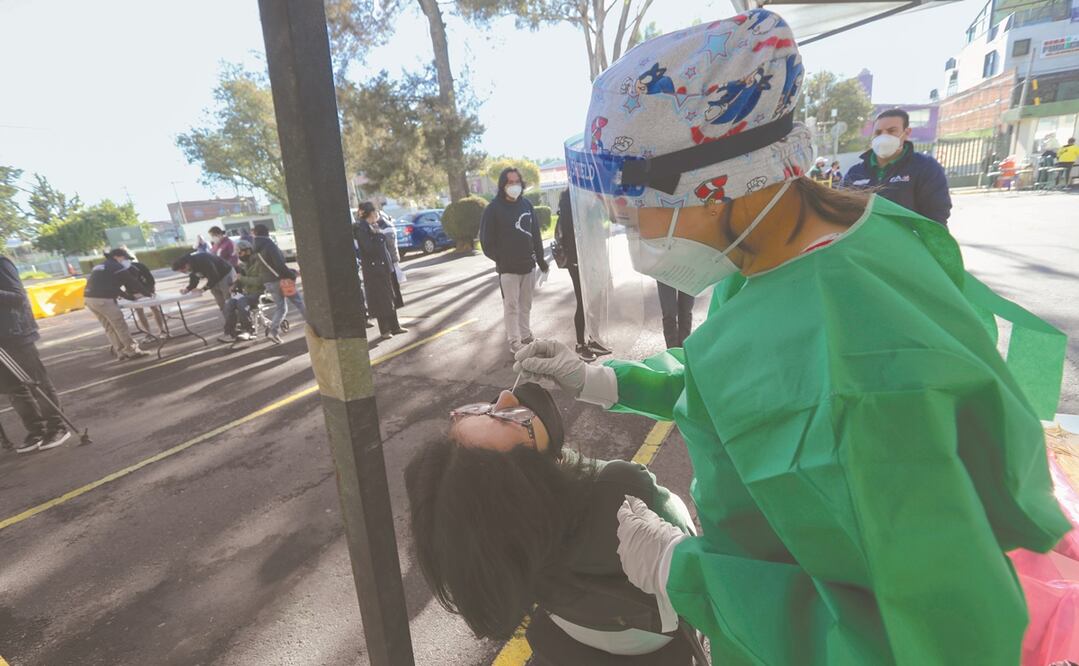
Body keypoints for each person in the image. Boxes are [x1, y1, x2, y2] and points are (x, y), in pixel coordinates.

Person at [515, 10, 1070, 664]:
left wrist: (687, 573)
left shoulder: (851, 383)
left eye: (630, 198)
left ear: (716, 184)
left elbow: (928, 640)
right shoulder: (804, 245)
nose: (621, 218)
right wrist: (603, 380)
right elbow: (739, 374)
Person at [405, 382, 697, 664]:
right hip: (653, 635)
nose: (505, 396)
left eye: (480, 409)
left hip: (578, 629)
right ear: (531, 482)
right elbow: (689, 543)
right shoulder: (619, 489)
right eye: (507, 418)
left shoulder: (508, 541)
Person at [0, 255, 70, 453]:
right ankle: (36, 430)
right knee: (14, 389)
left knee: (38, 384)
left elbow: (18, 297)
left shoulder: (2, 263)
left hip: (16, 334)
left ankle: (57, 427)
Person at [843, 108, 952, 225]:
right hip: (865, 236)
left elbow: (937, 213)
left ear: (906, 133)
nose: (883, 137)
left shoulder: (925, 167)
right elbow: (842, 210)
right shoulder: (855, 172)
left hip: (908, 236)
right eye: (878, 133)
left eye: (891, 131)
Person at [480, 167, 549, 353]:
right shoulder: (493, 209)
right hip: (508, 270)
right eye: (510, 182)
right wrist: (502, 260)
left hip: (528, 266)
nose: (514, 185)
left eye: (517, 182)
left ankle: (525, 335)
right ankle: (514, 342)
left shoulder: (526, 205)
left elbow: (535, 235)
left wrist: (541, 260)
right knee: (511, 306)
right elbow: (486, 242)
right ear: (503, 185)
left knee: (526, 305)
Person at [554, 189, 612, 363]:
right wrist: (575, 259)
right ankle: (580, 344)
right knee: (583, 301)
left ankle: (594, 339)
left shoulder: (592, 193)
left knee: (596, 299)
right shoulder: (568, 198)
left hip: (595, 255)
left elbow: (601, 222)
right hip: (577, 259)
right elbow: (569, 231)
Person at [83, 248, 151, 360]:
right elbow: (132, 281)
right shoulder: (116, 266)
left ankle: (120, 352)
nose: (126, 261)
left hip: (89, 298)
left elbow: (114, 288)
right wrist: (148, 293)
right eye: (125, 258)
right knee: (120, 325)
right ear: (116, 257)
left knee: (109, 327)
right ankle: (132, 351)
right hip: (103, 300)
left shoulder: (102, 265)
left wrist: (129, 297)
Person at [354, 202, 407, 340]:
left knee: (391, 296)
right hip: (374, 269)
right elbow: (369, 248)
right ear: (370, 213)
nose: (376, 215)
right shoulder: (362, 229)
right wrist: (379, 236)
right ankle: (385, 329)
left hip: (384, 266)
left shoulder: (373, 225)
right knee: (381, 299)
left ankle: (395, 326)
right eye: (374, 212)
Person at [252, 223, 305, 344]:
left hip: (268, 282)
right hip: (282, 280)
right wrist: (292, 274)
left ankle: (273, 331)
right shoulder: (269, 245)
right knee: (299, 303)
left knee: (281, 307)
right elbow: (279, 265)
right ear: (267, 233)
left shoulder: (255, 248)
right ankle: (316, 328)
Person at [171, 250, 236, 316]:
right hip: (214, 277)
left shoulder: (202, 260)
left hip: (225, 273)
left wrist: (202, 289)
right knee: (220, 301)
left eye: (183, 271)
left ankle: (237, 317)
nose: (184, 272)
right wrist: (188, 289)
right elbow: (194, 278)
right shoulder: (190, 265)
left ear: (186, 265)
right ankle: (228, 318)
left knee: (228, 298)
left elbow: (214, 277)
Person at [220, 239, 261, 342]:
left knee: (242, 302)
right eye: (238, 253)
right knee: (230, 303)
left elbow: (260, 281)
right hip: (248, 293)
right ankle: (230, 332)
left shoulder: (259, 263)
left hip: (259, 292)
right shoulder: (243, 265)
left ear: (248, 251)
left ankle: (248, 330)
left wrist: (242, 278)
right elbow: (241, 280)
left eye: (240, 253)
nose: (239, 255)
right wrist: (235, 285)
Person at [129, 259, 167, 337]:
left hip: (146, 289)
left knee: (154, 308)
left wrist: (150, 291)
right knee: (139, 310)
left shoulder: (140, 266)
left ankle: (161, 329)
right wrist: (129, 295)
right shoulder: (120, 268)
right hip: (133, 292)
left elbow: (150, 279)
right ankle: (148, 332)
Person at [377, 208, 405, 309]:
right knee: (395, 283)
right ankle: (398, 302)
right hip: (393, 258)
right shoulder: (388, 225)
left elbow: (389, 245)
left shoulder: (385, 227)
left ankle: (398, 302)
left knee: (394, 283)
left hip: (391, 259)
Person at [655, 282, 693, 349]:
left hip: (691, 276)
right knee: (669, 313)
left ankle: (683, 350)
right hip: (665, 277)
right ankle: (672, 350)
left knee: (686, 312)